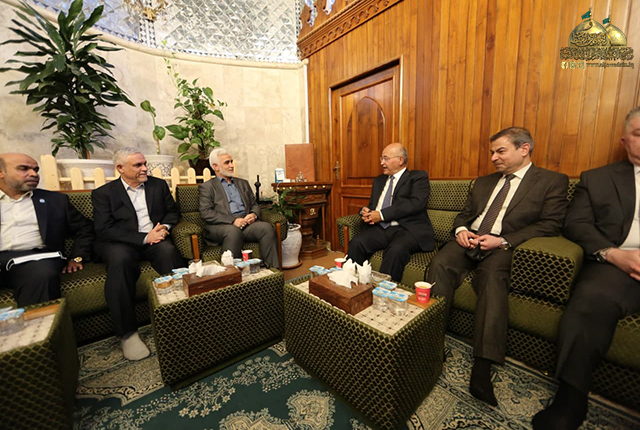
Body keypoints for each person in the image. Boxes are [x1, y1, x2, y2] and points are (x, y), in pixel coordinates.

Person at [426, 127, 569, 407]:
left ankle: (483, 365)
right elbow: (464, 215)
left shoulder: (551, 181)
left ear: (524, 149)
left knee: (492, 279)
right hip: (470, 239)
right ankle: (432, 343)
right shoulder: (483, 182)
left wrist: (503, 241)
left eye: (500, 151)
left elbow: (551, 224)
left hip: (503, 245)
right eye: (492, 152)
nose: (493, 157)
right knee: (439, 264)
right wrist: (461, 231)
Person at [533, 107, 640, 430]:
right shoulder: (597, 179)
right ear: (624, 140)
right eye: (639, 134)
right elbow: (576, 223)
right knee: (591, 300)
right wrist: (612, 254)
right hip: (617, 262)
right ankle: (571, 398)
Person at [92, 148, 184, 361]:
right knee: (120, 261)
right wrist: (144, 238)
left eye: (145, 164)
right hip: (121, 242)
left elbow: (172, 212)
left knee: (169, 251)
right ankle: (128, 333)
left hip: (155, 238)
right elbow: (104, 229)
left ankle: (183, 313)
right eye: (138, 165)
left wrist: (165, 228)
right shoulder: (103, 194)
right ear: (120, 168)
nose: (144, 168)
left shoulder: (158, 185)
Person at [0, 153, 93, 307]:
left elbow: (85, 227)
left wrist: (77, 257)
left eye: (36, 170)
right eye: (24, 169)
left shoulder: (55, 200)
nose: (33, 174)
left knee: (41, 274)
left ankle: (38, 323)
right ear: (1, 173)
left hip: (36, 259)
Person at [346, 143, 434, 282]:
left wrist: (381, 215)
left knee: (395, 250)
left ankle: (383, 291)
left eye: (386, 158)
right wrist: (365, 211)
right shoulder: (379, 180)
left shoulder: (417, 177)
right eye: (381, 159)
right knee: (357, 243)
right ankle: (349, 283)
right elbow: (373, 205)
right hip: (381, 228)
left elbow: (415, 204)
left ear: (400, 160)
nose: (382, 163)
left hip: (406, 229)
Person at [199, 148, 279, 268]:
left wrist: (253, 214)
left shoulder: (243, 183)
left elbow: (254, 204)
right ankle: (232, 273)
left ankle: (273, 270)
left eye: (231, 161)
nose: (231, 165)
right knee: (233, 231)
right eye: (227, 163)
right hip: (222, 226)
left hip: (245, 223)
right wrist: (233, 221)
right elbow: (206, 213)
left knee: (266, 228)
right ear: (216, 167)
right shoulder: (207, 187)